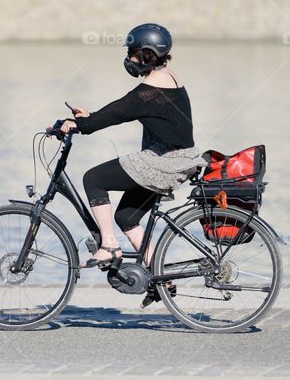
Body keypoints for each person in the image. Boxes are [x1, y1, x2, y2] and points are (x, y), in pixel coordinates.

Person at [59, 23, 205, 307]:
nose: (129, 58)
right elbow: (120, 109)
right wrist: (90, 117)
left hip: (163, 162)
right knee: (126, 217)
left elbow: (120, 110)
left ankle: (109, 245)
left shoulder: (150, 90)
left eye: (133, 53)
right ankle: (161, 277)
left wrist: (76, 125)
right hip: (179, 159)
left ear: (147, 54)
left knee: (93, 179)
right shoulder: (166, 77)